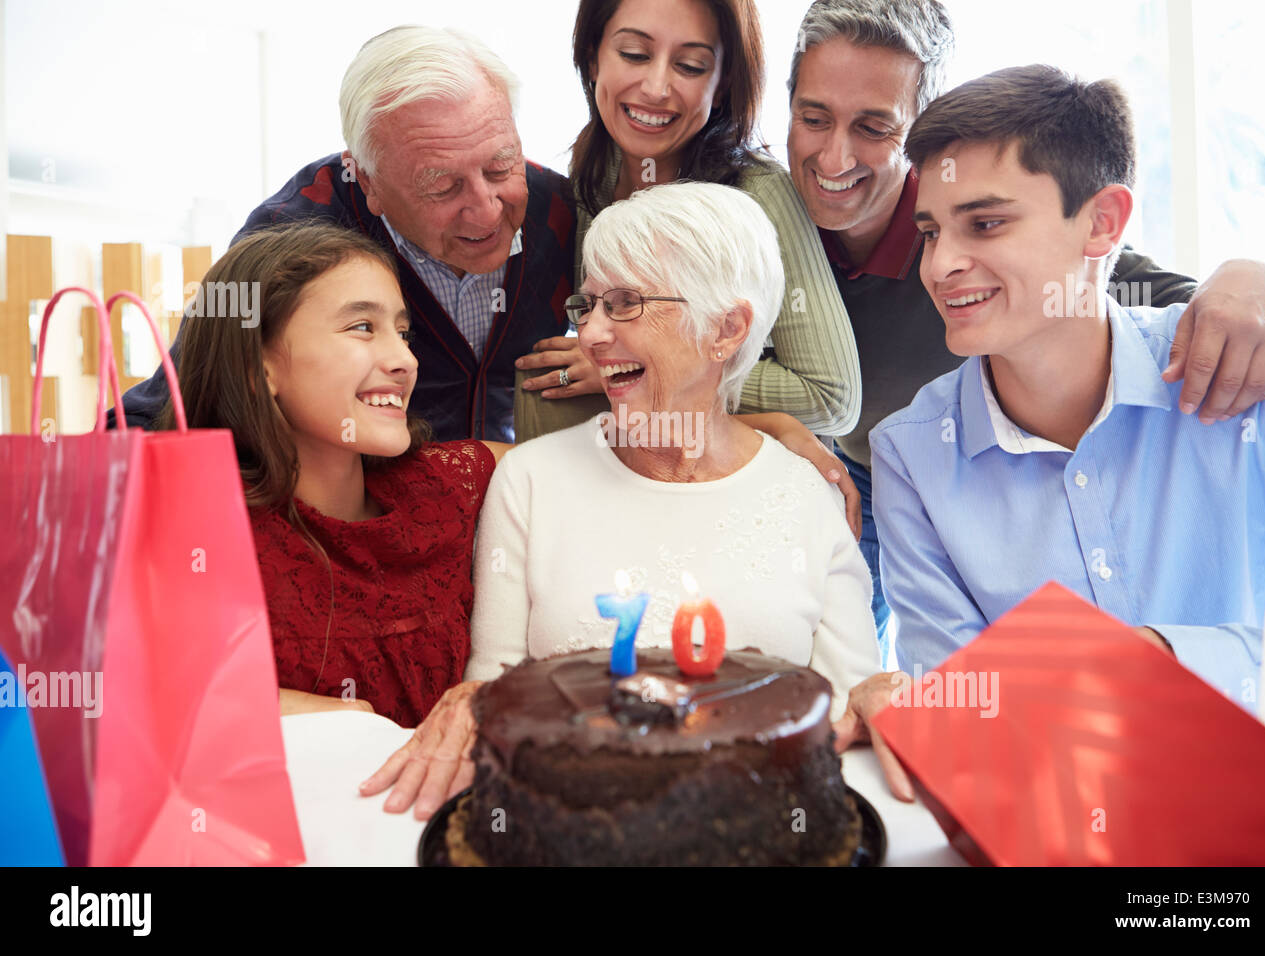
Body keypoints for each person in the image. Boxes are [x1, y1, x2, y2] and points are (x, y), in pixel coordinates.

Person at [836, 65, 1265, 799]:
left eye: (986, 223)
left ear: (1104, 221)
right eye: (931, 232)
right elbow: (966, 728)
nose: (943, 264)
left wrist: (1151, 661)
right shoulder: (912, 457)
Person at [784, 0, 1265, 664]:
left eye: (986, 224)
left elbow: (1123, 277)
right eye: (813, 118)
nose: (939, 263)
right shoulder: (767, 221)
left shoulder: (1255, 388)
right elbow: (958, 705)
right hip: (875, 473)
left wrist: (1249, 278)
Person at [362, 182, 881, 820]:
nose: (592, 333)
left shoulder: (809, 496)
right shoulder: (530, 480)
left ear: (728, 327)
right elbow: (490, 693)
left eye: (627, 303)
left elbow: (852, 717)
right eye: (590, 304)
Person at [113, 25, 575, 443]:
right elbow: (163, 409)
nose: (485, 210)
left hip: (504, 503)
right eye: (442, 186)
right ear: (369, 181)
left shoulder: (562, 212)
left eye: (500, 166)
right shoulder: (286, 234)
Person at [157, 223, 505, 728]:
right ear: (259, 367)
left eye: (402, 332)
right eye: (362, 327)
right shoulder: (200, 533)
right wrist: (338, 721)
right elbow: (154, 698)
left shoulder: (446, 483)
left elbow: (579, 464)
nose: (404, 360)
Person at [512, 0, 862, 444]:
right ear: (592, 56)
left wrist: (633, 368)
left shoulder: (761, 192)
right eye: (635, 54)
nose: (656, 88)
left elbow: (831, 398)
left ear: (723, 83)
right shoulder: (596, 172)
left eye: (691, 65)